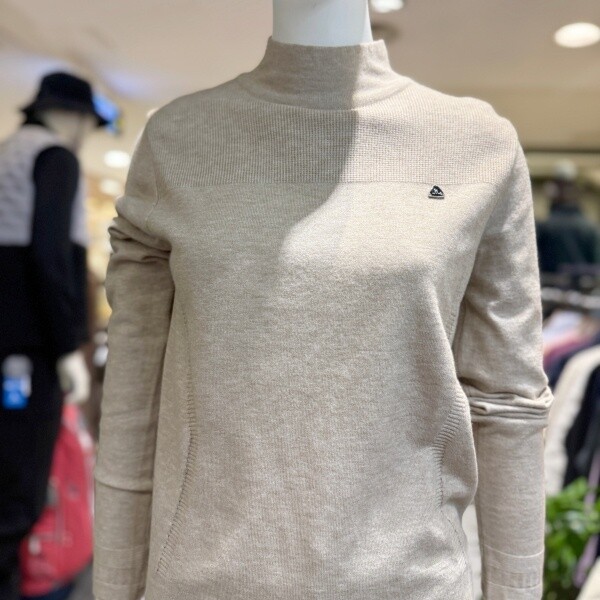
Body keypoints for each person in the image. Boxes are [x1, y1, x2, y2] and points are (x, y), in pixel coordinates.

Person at [93, 1, 553, 598]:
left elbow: (509, 403)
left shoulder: (476, 145)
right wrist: (115, 586)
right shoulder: (178, 141)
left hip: (411, 585)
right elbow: (133, 405)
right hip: (203, 584)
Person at [0, 71, 107, 600]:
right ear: (72, 117)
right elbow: (50, 254)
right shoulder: (54, 157)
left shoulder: (8, 154)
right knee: (20, 479)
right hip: (31, 348)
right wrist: (67, 347)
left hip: (10, 344)